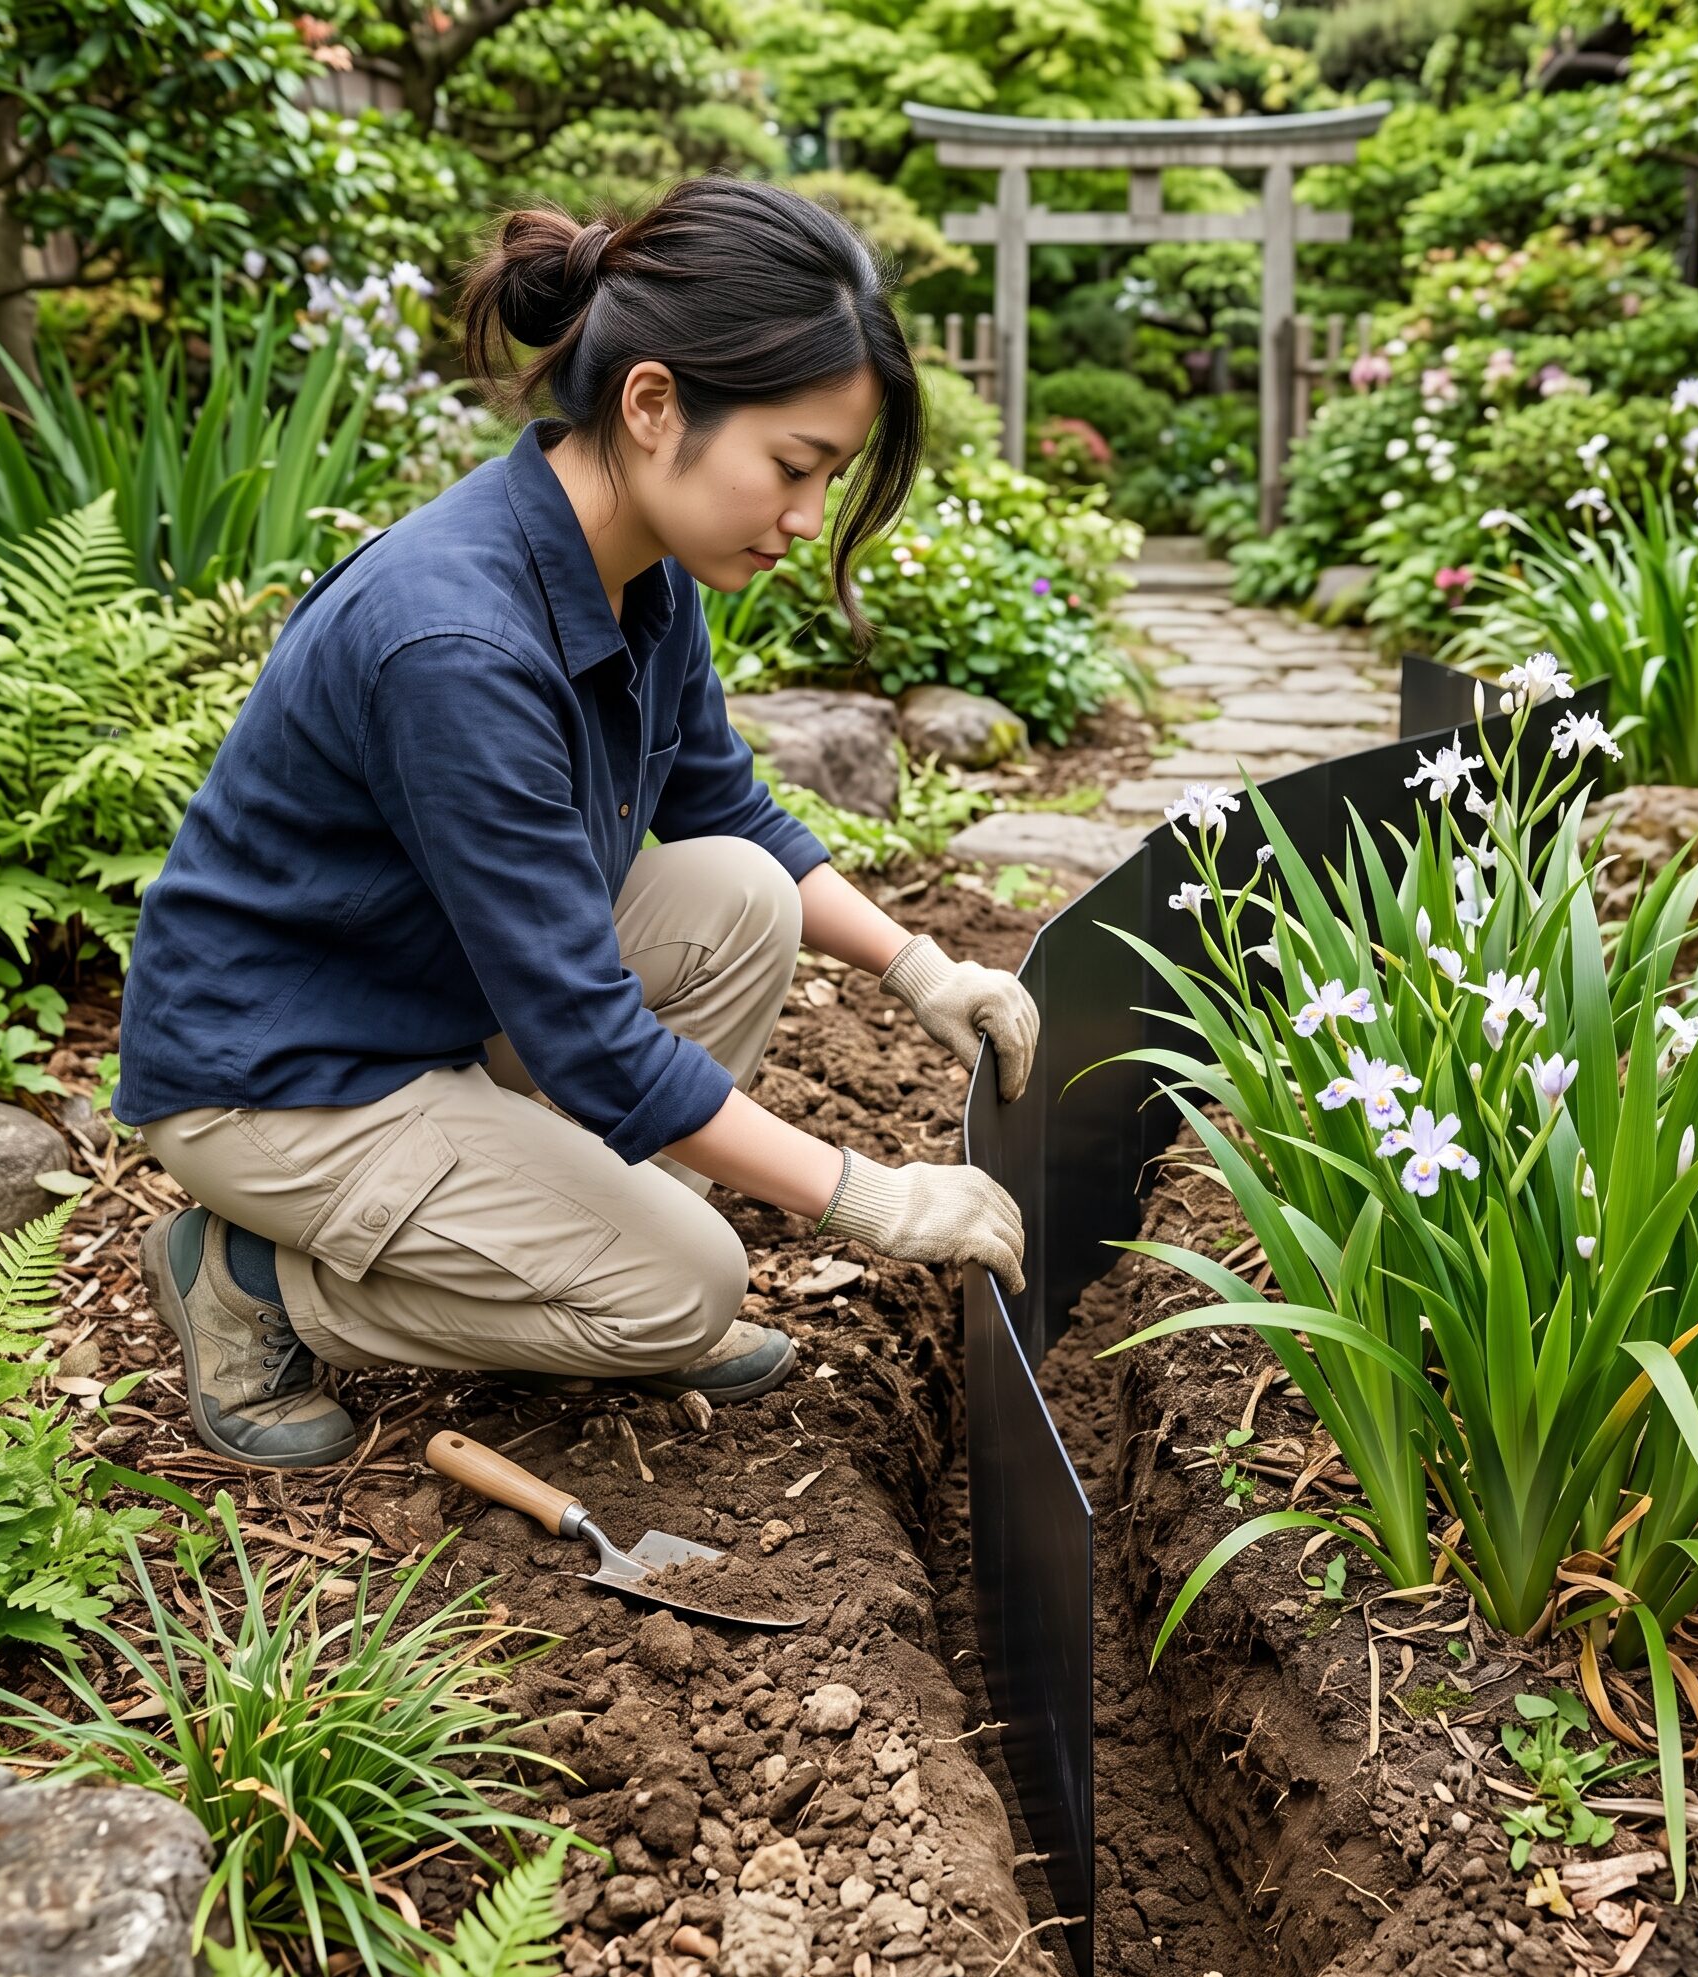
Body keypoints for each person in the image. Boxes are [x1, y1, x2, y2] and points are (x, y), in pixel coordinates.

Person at [112, 176, 1035, 1471]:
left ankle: (579, 1263)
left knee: (740, 896)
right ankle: (254, 1276)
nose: (808, 518)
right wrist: (866, 1194)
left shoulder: (637, 571)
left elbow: (725, 808)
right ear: (655, 406)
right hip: (285, 1075)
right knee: (684, 1290)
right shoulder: (457, 643)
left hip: (422, 993)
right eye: (795, 466)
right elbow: (591, 1040)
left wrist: (917, 965)